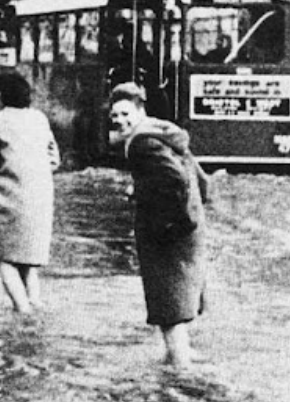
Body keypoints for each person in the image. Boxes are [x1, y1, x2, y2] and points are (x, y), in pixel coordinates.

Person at [109, 82, 208, 367]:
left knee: (168, 309)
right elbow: (200, 180)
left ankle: (180, 375)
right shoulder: (163, 134)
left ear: (141, 111)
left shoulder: (141, 143)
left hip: (168, 235)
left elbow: (173, 180)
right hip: (188, 230)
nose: (120, 121)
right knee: (177, 301)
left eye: (126, 113)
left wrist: (163, 224)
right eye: (115, 116)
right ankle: (178, 358)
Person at [0, 72, 60, 313]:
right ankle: (34, 304)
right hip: (42, 196)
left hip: (11, 198)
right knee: (28, 260)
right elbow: (54, 159)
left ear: (2, 95)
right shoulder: (39, 118)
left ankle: (23, 312)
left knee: (6, 259)